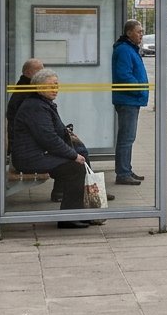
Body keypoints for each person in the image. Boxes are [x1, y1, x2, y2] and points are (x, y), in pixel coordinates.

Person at [8, 68, 103, 229]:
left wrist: (68, 135)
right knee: (75, 167)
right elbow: (48, 138)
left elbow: (51, 133)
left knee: (79, 158)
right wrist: (73, 155)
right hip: (30, 158)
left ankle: (79, 212)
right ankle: (68, 218)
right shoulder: (35, 107)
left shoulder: (41, 103)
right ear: (38, 87)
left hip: (37, 153)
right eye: (50, 86)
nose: (55, 89)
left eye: (57, 85)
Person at [111, 19, 149, 187]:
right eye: (139, 31)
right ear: (129, 33)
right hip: (128, 99)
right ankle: (123, 173)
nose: (141, 35)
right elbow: (124, 75)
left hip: (130, 99)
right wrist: (139, 90)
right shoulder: (125, 50)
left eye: (142, 31)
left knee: (128, 137)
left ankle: (126, 169)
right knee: (126, 138)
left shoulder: (129, 49)